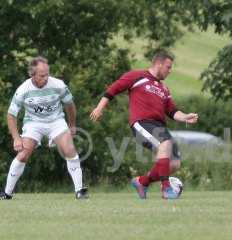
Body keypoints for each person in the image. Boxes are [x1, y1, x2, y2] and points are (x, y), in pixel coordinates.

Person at [90, 50, 198, 199]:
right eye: (168, 67)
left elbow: (172, 112)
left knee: (174, 164)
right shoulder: (137, 76)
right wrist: (99, 108)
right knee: (164, 144)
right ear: (159, 64)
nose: (170, 70)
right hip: (142, 124)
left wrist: (186, 117)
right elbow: (113, 89)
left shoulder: (164, 89)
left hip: (159, 127)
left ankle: (142, 181)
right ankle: (166, 189)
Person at [0, 56, 88, 200]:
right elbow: (11, 115)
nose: (46, 78)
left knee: (69, 149)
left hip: (56, 121)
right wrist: (16, 138)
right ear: (32, 74)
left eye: (47, 74)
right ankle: (7, 193)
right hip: (33, 124)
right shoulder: (23, 89)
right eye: (42, 75)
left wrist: (72, 125)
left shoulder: (58, 85)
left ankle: (80, 191)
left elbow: (70, 105)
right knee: (23, 154)